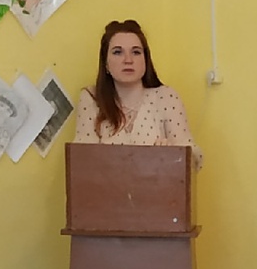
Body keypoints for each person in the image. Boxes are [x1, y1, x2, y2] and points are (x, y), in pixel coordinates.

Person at [73, 19, 203, 166]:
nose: (128, 60)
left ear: (145, 60)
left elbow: (193, 157)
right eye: (118, 52)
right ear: (106, 64)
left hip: (158, 181)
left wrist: (171, 154)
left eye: (136, 52)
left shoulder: (166, 97)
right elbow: (81, 159)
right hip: (105, 181)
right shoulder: (91, 98)